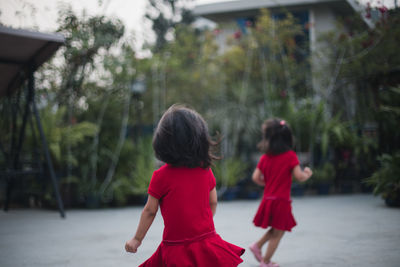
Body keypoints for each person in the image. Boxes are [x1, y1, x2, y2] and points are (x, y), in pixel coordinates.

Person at [125, 104, 245, 266]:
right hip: (207, 242)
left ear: (162, 142)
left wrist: (137, 239)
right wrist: (201, 227)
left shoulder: (161, 176)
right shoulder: (205, 170)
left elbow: (150, 211)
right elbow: (213, 202)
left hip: (176, 247)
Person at [249, 118, 312, 267]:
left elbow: (255, 177)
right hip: (281, 201)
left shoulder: (265, 158)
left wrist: (268, 184)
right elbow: (299, 176)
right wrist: (308, 173)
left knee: (276, 229)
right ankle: (265, 262)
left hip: (268, 199)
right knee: (279, 232)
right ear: (287, 138)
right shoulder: (290, 156)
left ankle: (257, 246)